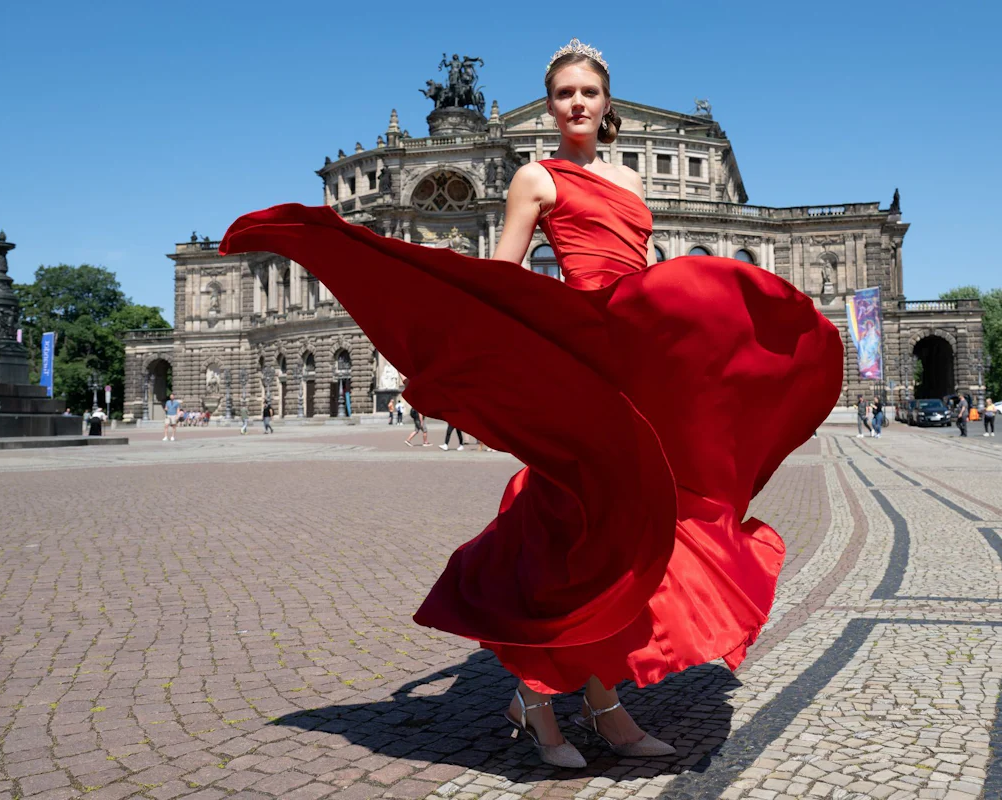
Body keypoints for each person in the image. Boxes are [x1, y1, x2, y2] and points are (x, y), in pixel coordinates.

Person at [219, 38, 841, 770]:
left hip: (627, 356)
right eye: (563, 94)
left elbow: (645, 274)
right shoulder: (532, 179)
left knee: (636, 529)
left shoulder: (634, 183)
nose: (576, 104)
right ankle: (566, 707)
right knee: (583, 527)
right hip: (572, 353)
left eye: (588, 92)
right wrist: (476, 367)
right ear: (548, 104)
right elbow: (503, 279)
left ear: (607, 102)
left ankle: (572, 700)